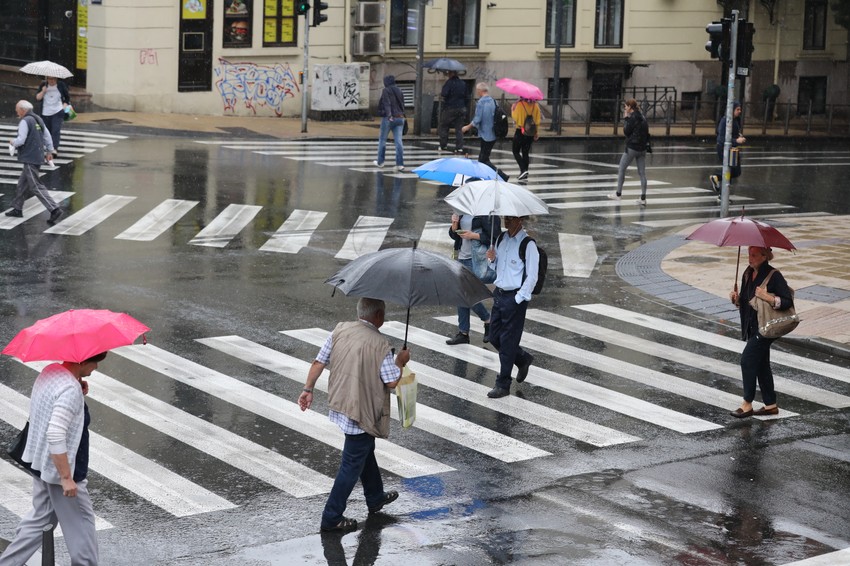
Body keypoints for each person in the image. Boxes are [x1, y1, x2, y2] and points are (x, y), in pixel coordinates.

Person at [298, 298, 410, 533]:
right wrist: (399, 361)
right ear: (378, 316)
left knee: (364, 450)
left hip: (341, 402)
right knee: (351, 464)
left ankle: (376, 497)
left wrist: (307, 389)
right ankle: (331, 516)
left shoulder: (340, 329)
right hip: (362, 410)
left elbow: (319, 361)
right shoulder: (380, 343)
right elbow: (391, 381)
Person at [0, 353, 106, 566]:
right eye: (96, 363)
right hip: (61, 469)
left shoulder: (51, 372)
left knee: (39, 521)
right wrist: (66, 477)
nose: (96, 368)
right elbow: (56, 433)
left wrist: (77, 387)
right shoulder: (69, 390)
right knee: (82, 528)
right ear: (83, 361)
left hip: (41, 463)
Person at [728, 247, 793, 418]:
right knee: (761, 364)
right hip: (752, 326)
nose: (750, 258)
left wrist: (769, 298)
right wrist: (736, 299)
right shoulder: (747, 273)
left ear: (765, 256)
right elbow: (746, 301)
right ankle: (770, 404)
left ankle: (747, 403)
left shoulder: (774, 275)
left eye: (754, 255)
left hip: (766, 327)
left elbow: (787, 301)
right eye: (749, 254)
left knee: (747, 360)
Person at [484, 215, 539, 398]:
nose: (505, 221)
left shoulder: (528, 245)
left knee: (507, 342)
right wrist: (491, 260)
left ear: (520, 220)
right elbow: (497, 268)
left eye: (510, 218)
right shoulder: (501, 238)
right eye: (505, 217)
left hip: (515, 298)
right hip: (499, 294)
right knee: (493, 336)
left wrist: (518, 299)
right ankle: (522, 358)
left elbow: (532, 276)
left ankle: (503, 384)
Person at [446, 212, 501, 345]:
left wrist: (473, 235)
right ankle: (465, 332)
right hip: (462, 257)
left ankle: (485, 321)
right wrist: (454, 225)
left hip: (476, 260)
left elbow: (494, 236)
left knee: (466, 293)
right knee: (463, 293)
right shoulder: (463, 212)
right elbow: (455, 236)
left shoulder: (487, 213)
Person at [6, 100, 63, 224]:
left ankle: (54, 208)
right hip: (36, 155)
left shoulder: (25, 121)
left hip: (30, 157)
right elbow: (47, 136)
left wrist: (12, 142)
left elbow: (21, 140)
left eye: (17, 109)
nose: (16, 111)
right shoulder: (38, 118)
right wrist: (49, 151)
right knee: (22, 183)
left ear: (23, 110)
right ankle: (17, 208)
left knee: (35, 185)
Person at [461, 82, 508, 181]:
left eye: (477, 91)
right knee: (483, 158)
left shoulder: (481, 103)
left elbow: (477, 119)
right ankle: (480, 177)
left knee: (483, 159)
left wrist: (467, 127)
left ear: (480, 91)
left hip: (485, 135)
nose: (477, 92)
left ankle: (501, 175)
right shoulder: (494, 101)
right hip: (494, 133)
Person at [608, 98, 650, 205]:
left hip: (632, 148)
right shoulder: (643, 117)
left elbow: (626, 132)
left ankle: (618, 194)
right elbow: (646, 132)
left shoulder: (632, 118)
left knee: (621, 169)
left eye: (626, 106)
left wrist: (626, 118)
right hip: (643, 149)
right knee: (642, 173)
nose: (625, 108)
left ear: (630, 107)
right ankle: (643, 198)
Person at [710, 102, 746, 195]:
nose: (739, 111)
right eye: (737, 109)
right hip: (725, 149)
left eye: (740, 109)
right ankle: (722, 193)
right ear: (732, 110)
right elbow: (722, 138)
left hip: (732, 149)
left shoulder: (735, 120)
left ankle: (719, 184)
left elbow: (733, 133)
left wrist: (739, 136)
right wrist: (736, 141)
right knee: (730, 170)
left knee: (734, 171)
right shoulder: (725, 120)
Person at [373, 75, 405, 171]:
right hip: (400, 118)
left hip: (389, 118)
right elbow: (402, 104)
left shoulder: (386, 90)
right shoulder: (399, 90)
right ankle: (400, 164)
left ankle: (380, 162)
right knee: (398, 141)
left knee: (382, 140)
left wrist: (389, 115)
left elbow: (387, 104)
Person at [36, 76, 70, 155]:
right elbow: (37, 98)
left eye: (54, 79)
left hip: (57, 111)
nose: (52, 81)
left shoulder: (61, 85)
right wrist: (43, 91)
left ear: (56, 79)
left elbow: (67, 98)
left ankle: (54, 148)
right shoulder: (43, 85)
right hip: (45, 112)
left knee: (55, 130)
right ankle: (48, 148)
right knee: (47, 132)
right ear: (47, 79)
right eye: (50, 79)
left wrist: (64, 105)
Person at [438, 70, 468, 154]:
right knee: (459, 128)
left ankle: (443, 145)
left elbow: (444, 94)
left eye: (448, 73)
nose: (447, 75)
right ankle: (459, 147)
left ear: (451, 74)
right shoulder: (463, 83)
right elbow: (466, 96)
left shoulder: (449, 83)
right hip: (461, 108)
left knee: (444, 126)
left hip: (450, 108)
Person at [510, 98, 540, 182]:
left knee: (515, 151)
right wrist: (536, 132)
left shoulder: (519, 105)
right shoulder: (535, 106)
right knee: (525, 152)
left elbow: (515, 118)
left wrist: (512, 109)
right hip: (530, 132)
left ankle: (523, 170)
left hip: (520, 131)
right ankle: (525, 172)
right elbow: (537, 120)